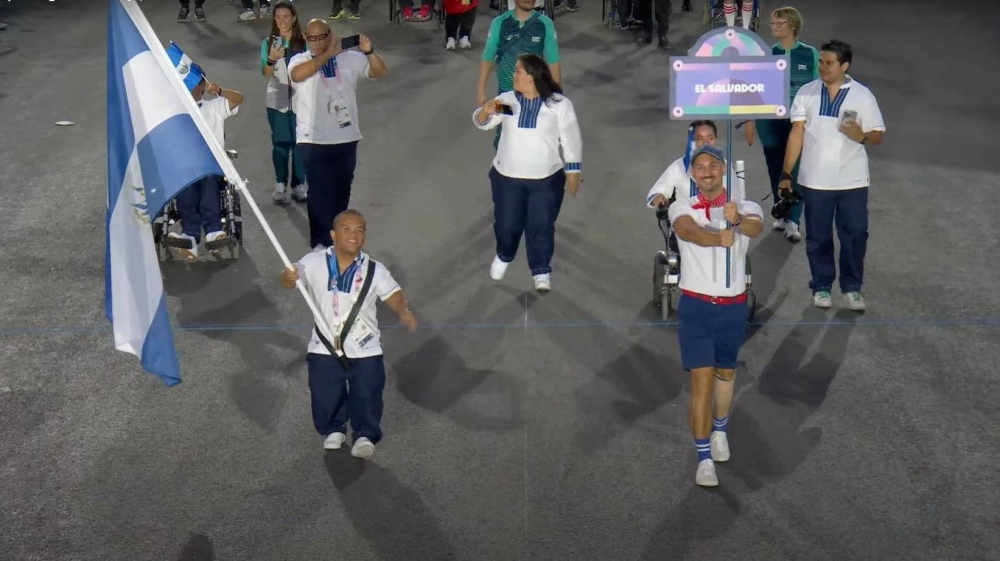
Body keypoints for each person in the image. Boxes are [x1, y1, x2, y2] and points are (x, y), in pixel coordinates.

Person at [280, 210, 417, 458]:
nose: (353, 235)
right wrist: (288, 277)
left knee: (367, 392)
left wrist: (403, 310)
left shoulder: (375, 269)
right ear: (333, 234)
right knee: (324, 391)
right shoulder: (313, 262)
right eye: (347, 229)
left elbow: (393, 294)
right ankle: (334, 428)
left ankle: (365, 435)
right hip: (324, 346)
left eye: (359, 230)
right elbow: (291, 276)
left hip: (366, 348)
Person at [668, 143, 763, 487]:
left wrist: (735, 219)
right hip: (696, 306)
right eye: (700, 167)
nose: (706, 172)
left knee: (726, 373)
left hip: (733, 307)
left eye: (713, 165)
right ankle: (703, 456)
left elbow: (754, 228)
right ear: (693, 175)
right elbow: (686, 231)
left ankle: (720, 429)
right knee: (701, 381)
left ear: (723, 170)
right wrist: (716, 238)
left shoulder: (746, 206)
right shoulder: (683, 205)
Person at [779, 39, 885, 311]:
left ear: (844, 65)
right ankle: (822, 286)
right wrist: (786, 173)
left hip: (853, 180)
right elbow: (797, 135)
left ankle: (852, 288)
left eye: (828, 63)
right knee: (818, 236)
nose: (822, 67)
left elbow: (877, 135)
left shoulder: (863, 95)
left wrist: (859, 134)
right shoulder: (806, 92)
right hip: (814, 180)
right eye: (820, 62)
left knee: (856, 233)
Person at [473, 54, 582, 292]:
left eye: (518, 72)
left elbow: (570, 138)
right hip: (507, 178)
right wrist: (485, 112)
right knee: (506, 223)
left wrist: (573, 170)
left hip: (546, 180)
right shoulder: (508, 101)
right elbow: (485, 123)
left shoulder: (558, 104)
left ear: (532, 78)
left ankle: (541, 269)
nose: (513, 76)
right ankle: (504, 255)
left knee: (541, 225)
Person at [288, 20, 387, 250]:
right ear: (305, 37)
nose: (318, 42)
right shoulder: (300, 59)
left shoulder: (349, 58)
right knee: (319, 192)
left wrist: (369, 51)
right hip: (313, 139)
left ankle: (336, 240)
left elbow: (379, 71)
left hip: (346, 136)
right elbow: (298, 75)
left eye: (322, 37)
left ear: (330, 34)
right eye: (312, 38)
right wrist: (329, 54)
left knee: (341, 192)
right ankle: (319, 243)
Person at [742, 6, 818, 243]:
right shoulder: (766, 54)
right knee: (775, 167)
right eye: (773, 24)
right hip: (770, 121)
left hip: (799, 122)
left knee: (795, 170)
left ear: (793, 26)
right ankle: (781, 210)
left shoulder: (810, 54)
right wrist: (749, 120)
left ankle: (794, 221)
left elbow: (817, 89)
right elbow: (755, 90)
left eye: (780, 23)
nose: (774, 27)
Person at [166, 61, 244, 260]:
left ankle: (213, 231)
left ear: (203, 85)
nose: (189, 87)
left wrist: (219, 91)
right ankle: (190, 237)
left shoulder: (215, 106)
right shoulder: (174, 111)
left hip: (211, 166)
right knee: (186, 184)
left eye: (193, 83)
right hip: (186, 169)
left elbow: (238, 99)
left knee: (208, 179)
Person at [478, 0, 561, 147]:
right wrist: (480, 90)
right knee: (503, 136)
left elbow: (553, 61)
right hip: (505, 95)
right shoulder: (499, 23)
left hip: (535, 96)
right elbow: (488, 57)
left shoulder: (545, 24)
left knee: (535, 138)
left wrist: (556, 96)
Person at [261, 1, 308, 205]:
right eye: (278, 17)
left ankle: (298, 185)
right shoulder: (268, 43)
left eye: (286, 16)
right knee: (280, 144)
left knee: (300, 144)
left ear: (294, 18)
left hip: (301, 100)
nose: (282, 21)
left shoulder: (304, 42)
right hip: (277, 100)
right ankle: (280, 184)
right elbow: (266, 73)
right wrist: (271, 59)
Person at [646, 119, 746, 211]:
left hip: (719, 221)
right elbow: (658, 191)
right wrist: (659, 198)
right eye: (699, 138)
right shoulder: (679, 166)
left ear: (715, 139)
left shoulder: (725, 166)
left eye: (710, 138)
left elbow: (735, 198)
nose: (705, 143)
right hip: (685, 222)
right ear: (692, 141)